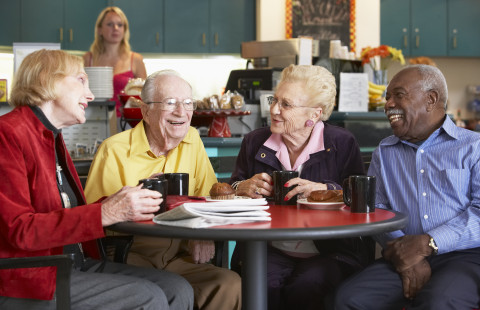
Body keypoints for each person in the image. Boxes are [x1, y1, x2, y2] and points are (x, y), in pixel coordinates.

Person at [0, 49, 193, 310]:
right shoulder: (8, 134)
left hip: (73, 264)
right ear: (47, 79)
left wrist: (121, 201)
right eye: (81, 80)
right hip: (30, 278)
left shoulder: (52, 137)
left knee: (177, 289)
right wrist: (105, 212)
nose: (90, 95)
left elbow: (64, 213)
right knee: (148, 297)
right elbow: (19, 230)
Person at [84, 70, 241, 310]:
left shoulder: (192, 140)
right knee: (172, 290)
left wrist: (204, 234)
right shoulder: (114, 150)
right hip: (132, 254)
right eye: (170, 103)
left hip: (181, 252)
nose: (181, 112)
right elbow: (94, 222)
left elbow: (210, 198)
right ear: (146, 111)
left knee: (228, 283)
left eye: (188, 103)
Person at [334, 65, 480, 309]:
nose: (388, 104)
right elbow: (376, 208)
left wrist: (428, 243)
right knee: (348, 300)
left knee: (438, 302)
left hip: (466, 255)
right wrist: (406, 255)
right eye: (387, 97)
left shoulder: (473, 147)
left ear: (430, 99)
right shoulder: (385, 151)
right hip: (402, 251)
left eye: (398, 95)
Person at [229, 64, 372, 310]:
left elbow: (360, 201)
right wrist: (241, 186)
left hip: (328, 251)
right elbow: (230, 189)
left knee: (308, 285)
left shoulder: (341, 143)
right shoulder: (254, 141)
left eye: (286, 104)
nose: (273, 109)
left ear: (314, 115)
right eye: (275, 100)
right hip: (268, 247)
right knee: (263, 285)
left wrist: (324, 190)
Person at [83, 6, 147, 127]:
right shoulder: (88, 59)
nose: (115, 28)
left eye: (120, 24)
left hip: (127, 123)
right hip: (94, 120)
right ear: (99, 29)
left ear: (125, 30)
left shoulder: (136, 60)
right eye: (110, 24)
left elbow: (145, 97)